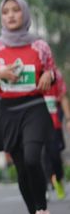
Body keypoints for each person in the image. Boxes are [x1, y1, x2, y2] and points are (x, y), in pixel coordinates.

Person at [0, 0, 60, 214]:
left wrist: (49, 76)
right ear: (1, 17)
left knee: (33, 159)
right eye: (6, 12)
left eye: (16, 10)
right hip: (7, 112)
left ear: (25, 13)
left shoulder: (40, 46)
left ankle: (43, 211)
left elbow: (52, 72)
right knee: (22, 168)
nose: (11, 15)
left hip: (34, 107)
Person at [42, 67, 70, 200]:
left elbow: (63, 97)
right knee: (40, 155)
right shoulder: (29, 71)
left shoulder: (55, 74)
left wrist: (68, 119)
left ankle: (59, 178)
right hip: (36, 122)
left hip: (54, 121)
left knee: (54, 154)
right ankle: (44, 186)